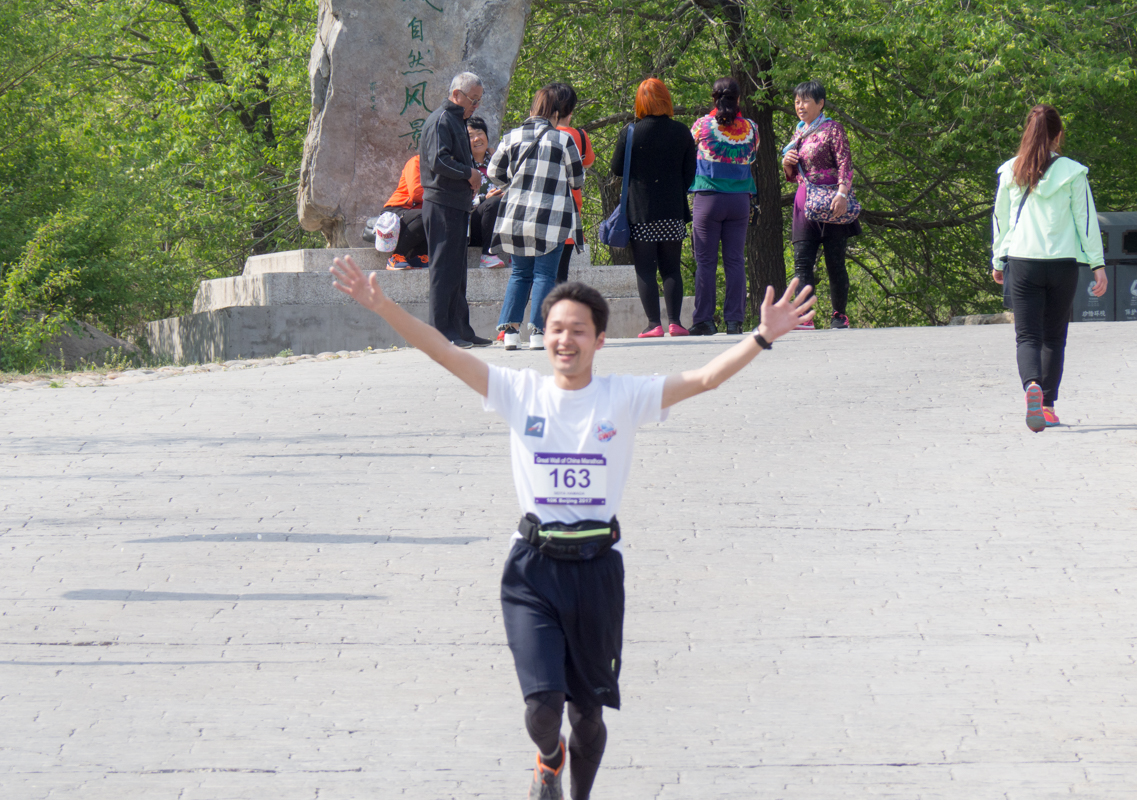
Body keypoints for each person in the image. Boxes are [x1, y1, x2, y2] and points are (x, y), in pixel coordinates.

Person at [329, 253, 815, 800]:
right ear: (546, 335)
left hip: (596, 573)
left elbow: (705, 378)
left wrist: (762, 336)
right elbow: (441, 350)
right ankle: (548, 757)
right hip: (532, 571)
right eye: (556, 328)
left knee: (587, 717)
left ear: (599, 340)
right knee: (542, 709)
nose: (565, 340)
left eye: (578, 330)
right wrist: (383, 305)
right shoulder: (519, 392)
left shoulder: (624, 397)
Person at [992, 103, 1106, 432]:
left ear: (1027, 133)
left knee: (1027, 336)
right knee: (1054, 337)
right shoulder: (1073, 172)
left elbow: (1001, 220)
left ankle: (1031, 385)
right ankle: (1047, 406)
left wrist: (998, 259)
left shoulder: (1011, 171)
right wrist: (1097, 264)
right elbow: (1086, 221)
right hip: (1062, 263)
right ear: (1059, 135)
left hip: (1022, 261)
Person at [489, 85, 584, 351]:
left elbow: (493, 172)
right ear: (555, 113)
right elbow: (577, 180)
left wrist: (513, 186)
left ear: (532, 109)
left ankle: (510, 333)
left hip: (517, 217)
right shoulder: (563, 140)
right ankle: (538, 334)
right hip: (551, 218)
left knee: (520, 273)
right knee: (545, 275)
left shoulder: (511, 137)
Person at [611, 78, 696, 339]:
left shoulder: (631, 132)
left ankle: (653, 324)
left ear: (640, 103)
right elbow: (690, 173)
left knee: (645, 269)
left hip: (641, 212)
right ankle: (675, 323)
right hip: (672, 210)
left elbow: (616, 168)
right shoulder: (681, 131)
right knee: (671, 268)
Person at [781, 79, 861, 330]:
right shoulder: (798, 134)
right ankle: (804, 317)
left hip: (832, 201)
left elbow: (845, 163)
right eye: (797, 101)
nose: (800, 106)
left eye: (805, 101)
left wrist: (842, 194)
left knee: (835, 261)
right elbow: (794, 175)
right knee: (802, 261)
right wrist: (786, 164)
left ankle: (839, 315)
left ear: (820, 103)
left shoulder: (833, 129)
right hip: (804, 201)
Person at [419, 72, 490, 348]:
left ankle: (462, 329)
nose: (476, 106)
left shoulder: (457, 121)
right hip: (442, 203)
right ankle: (440, 333)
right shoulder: (440, 120)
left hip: (457, 204)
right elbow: (438, 161)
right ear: (457, 94)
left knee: (458, 272)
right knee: (443, 271)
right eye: (473, 99)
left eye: (479, 100)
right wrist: (469, 173)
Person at [689, 77, 760, 335]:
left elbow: (688, 153)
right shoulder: (752, 128)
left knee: (706, 261)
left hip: (708, 198)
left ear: (714, 99)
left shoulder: (701, 126)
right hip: (739, 199)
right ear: (738, 99)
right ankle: (734, 321)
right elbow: (752, 156)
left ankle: (704, 320)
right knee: (735, 260)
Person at [552, 83, 596, 285]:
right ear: (571, 110)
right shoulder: (579, 136)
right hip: (569, 213)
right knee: (560, 275)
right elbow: (588, 162)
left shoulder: (542, 134)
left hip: (540, 212)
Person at [466, 116, 507, 270]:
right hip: (473, 225)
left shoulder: (497, 161)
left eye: (480, 133)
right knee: (493, 202)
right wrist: (485, 199)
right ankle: (487, 255)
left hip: (501, 219)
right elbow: (459, 200)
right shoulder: (463, 165)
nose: (477, 139)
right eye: (471, 136)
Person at [380, 154, 428, 270]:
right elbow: (416, 192)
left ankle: (419, 256)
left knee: (441, 215)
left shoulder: (444, 168)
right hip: (397, 210)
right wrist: (442, 198)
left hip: (418, 214)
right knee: (427, 215)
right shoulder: (417, 161)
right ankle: (396, 256)